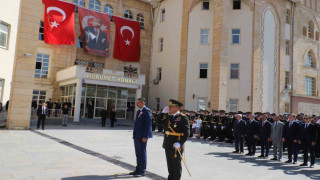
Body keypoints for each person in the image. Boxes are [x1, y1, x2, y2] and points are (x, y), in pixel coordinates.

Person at [162, 99, 189, 180]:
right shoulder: (168, 116)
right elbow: (158, 123)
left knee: (176, 165)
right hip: (167, 143)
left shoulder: (183, 118)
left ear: (177, 108)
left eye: (171, 107)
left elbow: (186, 133)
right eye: (169, 106)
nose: (169, 108)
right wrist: (162, 113)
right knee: (170, 165)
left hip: (176, 144)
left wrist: (179, 143)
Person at [131, 98, 153, 177]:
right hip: (137, 136)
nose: (137, 104)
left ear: (143, 103)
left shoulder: (147, 111)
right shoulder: (138, 111)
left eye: (138, 103)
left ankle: (142, 170)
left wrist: (145, 136)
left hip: (142, 136)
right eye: (136, 103)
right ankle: (138, 169)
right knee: (137, 153)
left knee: (142, 153)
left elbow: (148, 125)